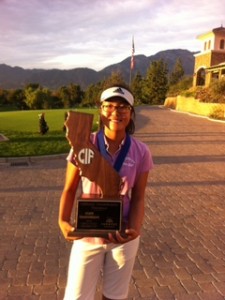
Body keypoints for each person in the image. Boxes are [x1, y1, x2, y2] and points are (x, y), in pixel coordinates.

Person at [58, 84, 154, 300]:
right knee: (76, 296)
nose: (115, 112)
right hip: (87, 235)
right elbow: (70, 188)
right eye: (109, 106)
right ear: (100, 110)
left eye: (122, 107)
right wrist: (63, 221)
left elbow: (138, 196)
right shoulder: (84, 143)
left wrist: (135, 228)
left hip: (122, 235)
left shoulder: (141, 151)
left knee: (115, 296)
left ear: (131, 112)